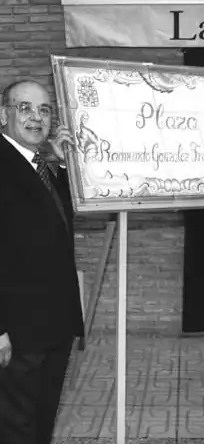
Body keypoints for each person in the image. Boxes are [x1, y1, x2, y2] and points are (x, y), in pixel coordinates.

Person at [0, 79, 84, 443]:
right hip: (17, 331)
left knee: (41, 418)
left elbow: (55, 232)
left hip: (53, 325)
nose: (36, 117)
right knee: (15, 425)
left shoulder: (43, 167)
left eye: (45, 109)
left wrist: (64, 166)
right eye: (25, 107)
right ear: (3, 114)